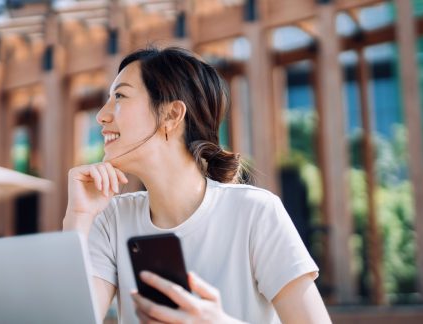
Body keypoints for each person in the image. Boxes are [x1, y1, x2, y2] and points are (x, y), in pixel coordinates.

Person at [63, 47, 331, 324]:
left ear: (171, 115)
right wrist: (79, 218)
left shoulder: (255, 211)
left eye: (119, 96)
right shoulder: (111, 218)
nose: (101, 116)